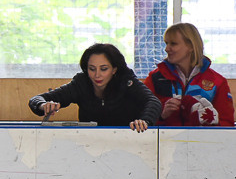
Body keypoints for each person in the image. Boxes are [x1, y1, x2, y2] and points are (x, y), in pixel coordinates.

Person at [29, 42, 161, 132]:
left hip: (128, 142)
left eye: (104, 69)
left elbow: (153, 102)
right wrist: (43, 105)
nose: (97, 75)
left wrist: (144, 121)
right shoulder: (81, 83)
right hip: (89, 146)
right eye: (92, 69)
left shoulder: (126, 82)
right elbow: (36, 99)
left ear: (114, 69)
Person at [144, 22, 234, 126]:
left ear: (191, 46)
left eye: (173, 43)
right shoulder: (155, 78)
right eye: (166, 43)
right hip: (165, 141)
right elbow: (140, 119)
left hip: (203, 141)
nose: (166, 49)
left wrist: (211, 122)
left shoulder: (217, 82)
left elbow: (227, 124)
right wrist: (161, 115)